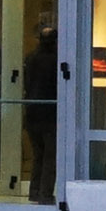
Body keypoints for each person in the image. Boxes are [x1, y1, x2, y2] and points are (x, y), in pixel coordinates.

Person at [21, 20, 61, 198]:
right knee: (50, 156)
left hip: (32, 112)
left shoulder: (30, 58)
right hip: (50, 113)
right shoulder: (56, 60)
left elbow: (28, 84)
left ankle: (35, 191)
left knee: (38, 155)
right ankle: (45, 193)